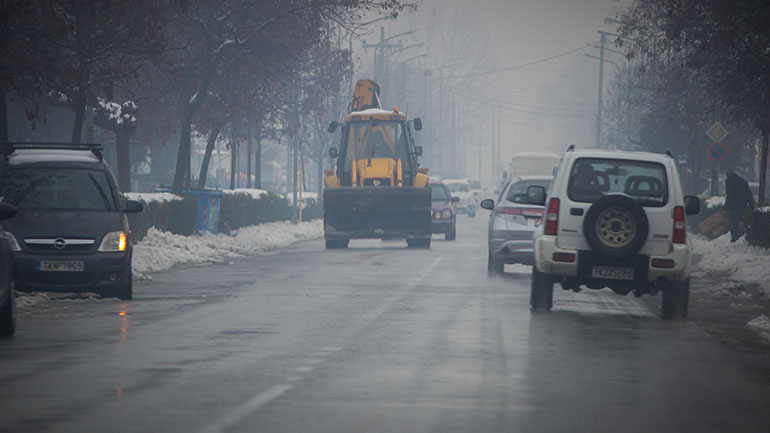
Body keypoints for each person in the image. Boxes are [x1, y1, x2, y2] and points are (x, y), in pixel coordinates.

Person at [724, 167, 755, 242]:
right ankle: (742, 237)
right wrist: (751, 204)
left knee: (734, 223)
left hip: (734, 207)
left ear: (728, 175)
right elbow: (748, 193)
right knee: (743, 222)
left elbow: (730, 195)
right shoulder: (743, 181)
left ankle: (735, 238)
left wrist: (726, 207)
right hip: (743, 206)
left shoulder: (729, 181)